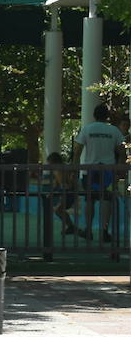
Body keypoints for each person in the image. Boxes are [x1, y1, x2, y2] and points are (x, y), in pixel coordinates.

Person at [71, 103, 126, 241]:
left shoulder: (87, 129)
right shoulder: (114, 131)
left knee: (90, 200)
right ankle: (104, 231)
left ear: (94, 115)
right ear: (107, 116)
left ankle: (88, 230)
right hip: (108, 171)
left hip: (90, 171)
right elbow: (122, 153)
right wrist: (119, 170)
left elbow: (77, 152)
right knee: (107, 200)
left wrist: (75, 171)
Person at [45, 151, 79, 235]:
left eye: (50, 163)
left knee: (58, 210)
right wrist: (51, 192)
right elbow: (56, 183)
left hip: (68, 192)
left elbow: (67, 183)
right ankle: (70, 226)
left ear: (54, 162)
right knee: (59, 210)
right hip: (66, 192)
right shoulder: (57, 170)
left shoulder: (62, 169)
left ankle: (71, 226)